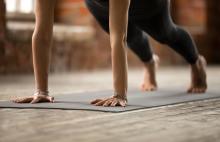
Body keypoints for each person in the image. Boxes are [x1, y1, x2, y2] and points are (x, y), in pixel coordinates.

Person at [88, 0, 207, 107]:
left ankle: (196, 62)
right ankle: (150, 62)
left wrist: (119, 95)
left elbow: (119, 39)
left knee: (165, 34)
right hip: (100, 6)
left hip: (148, 5)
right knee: (132, 38)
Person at [12, 0, 130, 107]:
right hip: (97, 5)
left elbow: (119, 37)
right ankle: (149, 66)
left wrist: (120, 95)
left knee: (136, 39)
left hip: (144, 8)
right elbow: (42, 34)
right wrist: (41, 91)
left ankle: (149, 64)